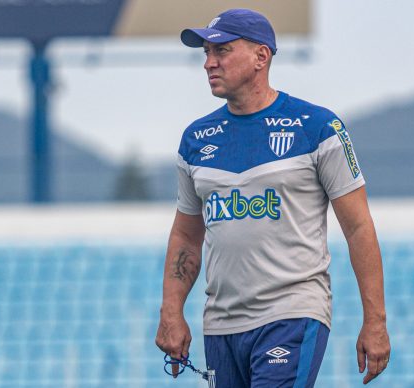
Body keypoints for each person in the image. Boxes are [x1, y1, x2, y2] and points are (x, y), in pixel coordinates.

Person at [155, 8, 390, 387]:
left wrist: (375, 321)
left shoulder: (318, 128)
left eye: (222, 51)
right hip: (221, 324)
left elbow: (359, 227)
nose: (209, 63)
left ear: (261, 57)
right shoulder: (196, 139)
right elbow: (185, 235)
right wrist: (171, 311)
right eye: (206, 54)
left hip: (292, 314)